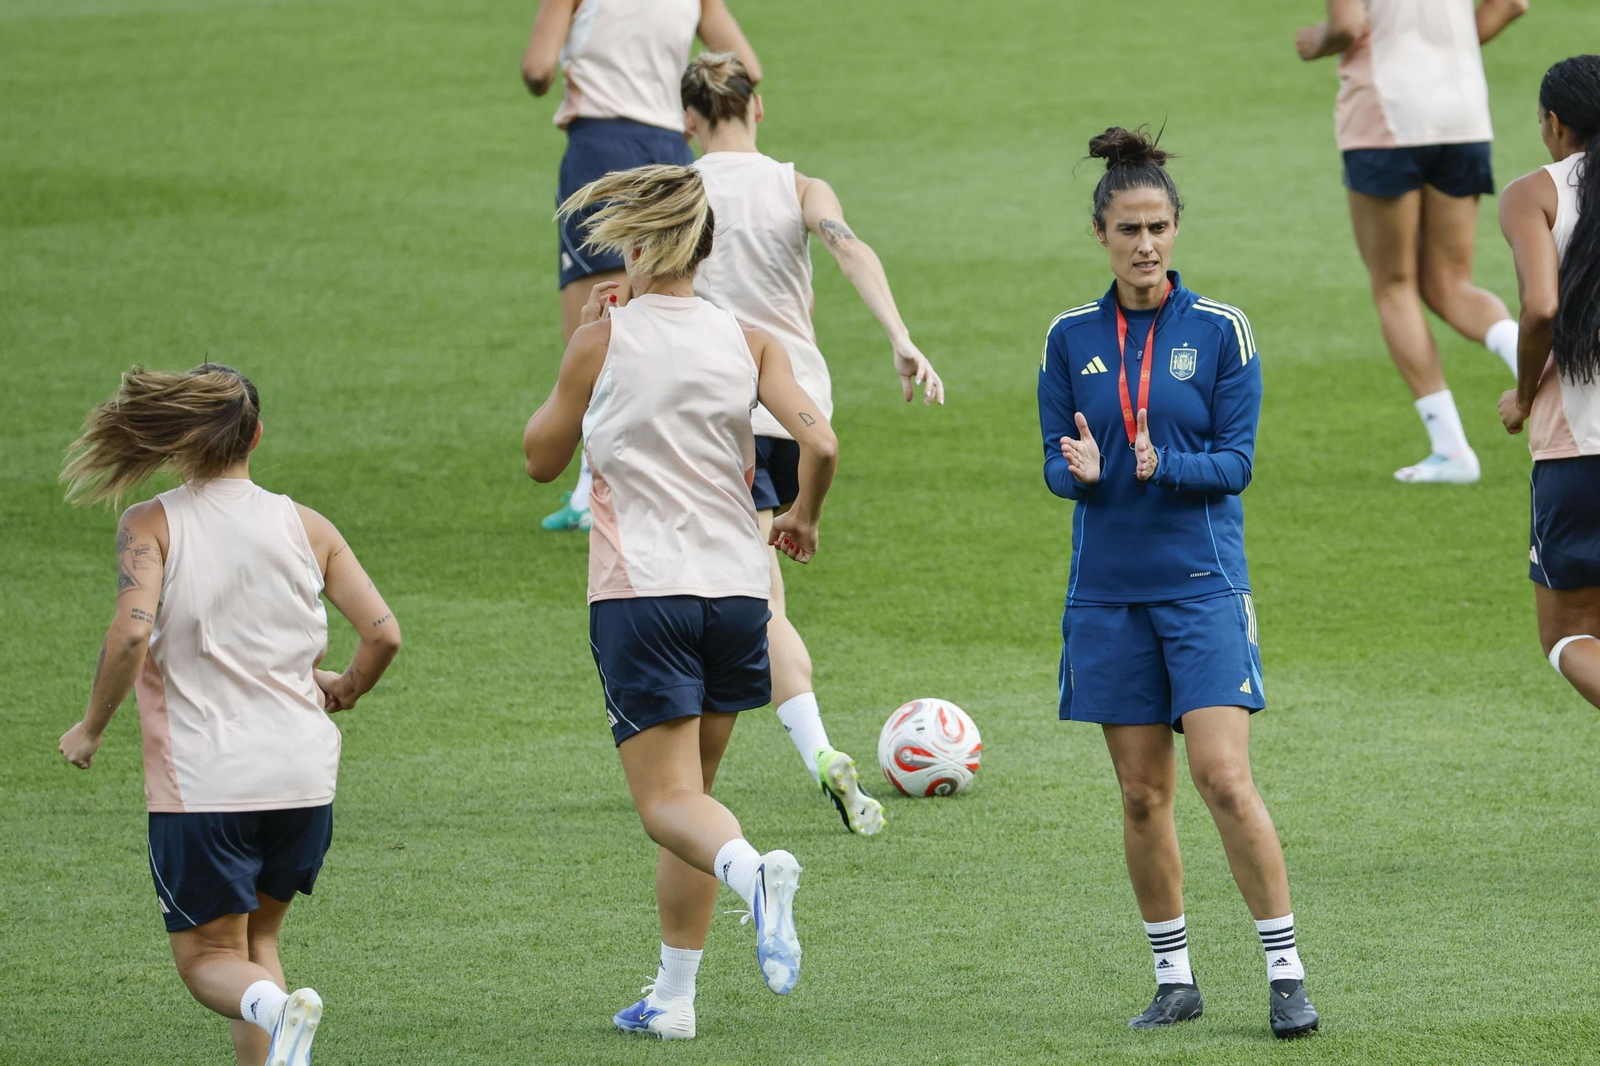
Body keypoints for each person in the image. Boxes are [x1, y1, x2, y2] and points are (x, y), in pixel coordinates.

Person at [523, 163, 839, 1039]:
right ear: (707, 248)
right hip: (737, 597)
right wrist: (804, 519)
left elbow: (541, 459)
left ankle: (756, 875)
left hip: (642, 594)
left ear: (637, 244)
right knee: (693, 801)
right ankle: (674, 1000)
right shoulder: (750, 341)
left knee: (669, 805)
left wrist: (582, 352)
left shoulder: (606, 336)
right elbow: (822, 442)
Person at [1038, 127, 1318, 1039]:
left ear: (1178, 228)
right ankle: (1175, 979)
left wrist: (1167, 463)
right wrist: (1073, 471)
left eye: (1158, 226)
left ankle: (1285, 971)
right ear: (1100, 234)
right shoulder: (1069, 337)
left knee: (1224, 779)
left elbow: (1236, 463)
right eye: (1128, 229)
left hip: (1202, 585)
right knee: (1140, 794)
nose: (1145, 244)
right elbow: (1054, 458)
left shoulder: (1221, 331)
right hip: (1108, 595)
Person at [56, 364, 402, 1066]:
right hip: (304, 778)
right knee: (256, 945)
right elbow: (383, 634)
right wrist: (347, 688)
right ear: (258, 436)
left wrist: (90, 727)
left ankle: (278, 1009)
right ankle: (278, 1037)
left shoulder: (151, 524)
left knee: (208, 960)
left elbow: (130, 632)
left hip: (207, 782)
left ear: (183, 442)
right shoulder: (307, 525)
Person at [679, 52, 945, 834]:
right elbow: (849, 248)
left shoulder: (677, 189)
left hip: (711, 422)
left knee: (748, 601)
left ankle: (809, 752)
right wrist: (900, 337)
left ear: (690, 118)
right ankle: (745, 759)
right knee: (756, 595)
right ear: (757, 109)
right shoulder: (799, 186)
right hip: (796, 419)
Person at [521, 0, 761, 531]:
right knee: (667, 313)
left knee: (594, 324)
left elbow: (538, 69)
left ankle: (591, 491)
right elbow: (749, 67)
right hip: (671, 154)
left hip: (598, 148)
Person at [1295, 0, 1528, 484]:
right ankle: (1545, 365)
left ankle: (1451, 449)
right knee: (1451, 283)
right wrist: (1449, 50)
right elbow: (1513, 3)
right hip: (1462, 110)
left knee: (1394, 284)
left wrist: (1314, 42)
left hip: (1386, 114)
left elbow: (1347, 26)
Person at [1496, 55, 1600, 710]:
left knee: (1568, 636)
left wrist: (1525, 395)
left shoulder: (1534, 192)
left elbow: (1540, 307)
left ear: (1556, 124)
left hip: (1578, 447)